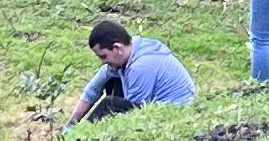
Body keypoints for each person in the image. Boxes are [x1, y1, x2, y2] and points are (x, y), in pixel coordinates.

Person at [69, 20, 200, 128]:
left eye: (103, 56)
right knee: (111, 82)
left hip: (176, 114)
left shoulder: (141, 66)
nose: (102, 62)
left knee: (110, 105)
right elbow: (92, 90)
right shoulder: (131, 49)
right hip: (152, 104)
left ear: (117, 48)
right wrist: (69, 127)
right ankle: (73, 136)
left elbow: (134, 116)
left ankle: (80, 139)